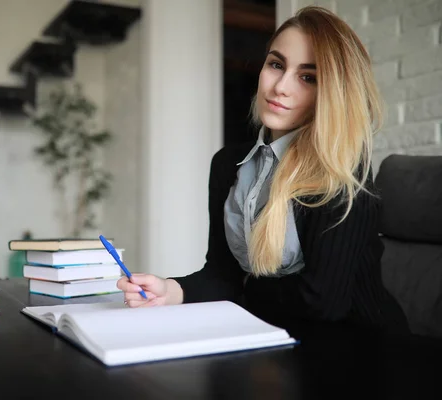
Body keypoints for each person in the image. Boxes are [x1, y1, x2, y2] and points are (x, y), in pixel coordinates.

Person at [118, 6, 409, 333]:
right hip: (272, 334)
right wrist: (169, 290)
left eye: (307, 77)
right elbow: (223, 274)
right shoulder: (227, 163)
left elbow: (324, 302)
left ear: (332, 92)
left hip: (359, 345)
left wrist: (245, 288)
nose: (280, 86)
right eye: (276, 64)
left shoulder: (340, 169)